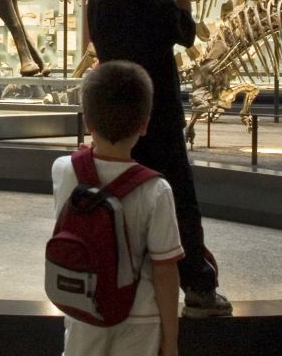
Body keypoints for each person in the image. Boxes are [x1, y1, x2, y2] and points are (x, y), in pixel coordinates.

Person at [87, 0, 229, 318]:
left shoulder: (97, 4)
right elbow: (187, 31)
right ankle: (199, 288)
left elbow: (104, 12)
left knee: (120, 199)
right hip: (161, 119)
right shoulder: (162, 7)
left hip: (116, 121)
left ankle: (120, 283)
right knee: (181, 202)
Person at [52, 60, 182, 356]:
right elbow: (165, 270)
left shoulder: (62, 170)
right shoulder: (156, 190)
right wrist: (171, 341)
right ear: (145, 123)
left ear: (88, 122)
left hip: (84, 308)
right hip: (140, 316)